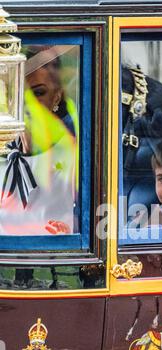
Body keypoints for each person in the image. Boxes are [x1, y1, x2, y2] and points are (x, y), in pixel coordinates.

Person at [0, 45, 78, 236]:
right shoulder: (3, 152)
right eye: (19, 94)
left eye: (38, 93)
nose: (27, 104)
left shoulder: (77, 155)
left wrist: (70, 231)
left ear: (57, 97)